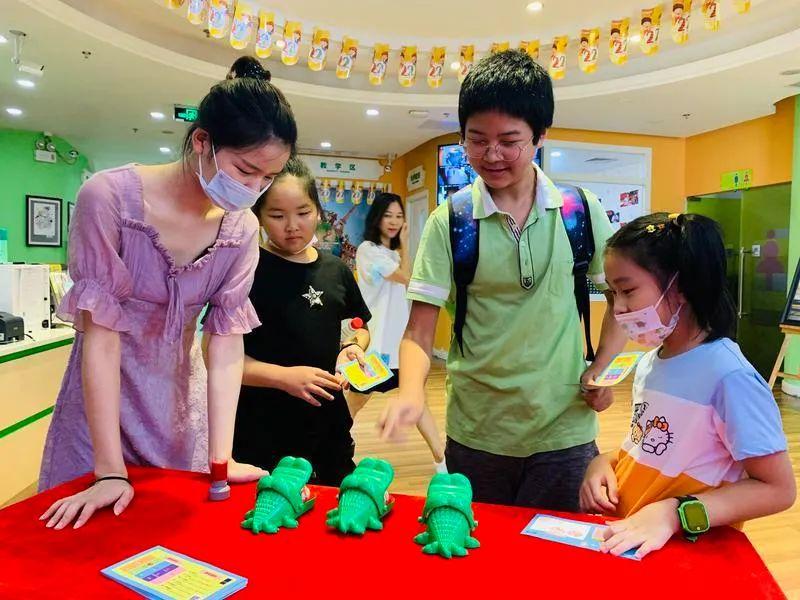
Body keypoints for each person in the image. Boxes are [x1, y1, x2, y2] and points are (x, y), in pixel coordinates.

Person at [38, 59, 296, 530]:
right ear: (202, 142)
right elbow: (100, 336)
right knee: (86, 542)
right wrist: (109, 471)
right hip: (101, 411)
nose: (253, 190)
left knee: (173, 544)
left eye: (267, 179)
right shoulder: (109, 197)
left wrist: (221, 460)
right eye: (245, 170)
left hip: (177, 409)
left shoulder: (241, 230)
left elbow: (225, 345)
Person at [378, 50, 627, 511]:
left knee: (553, 550)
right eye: (476, 141)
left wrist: (604, 369)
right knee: (476, 546)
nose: (491, 156)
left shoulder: (579, 211)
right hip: (478, 432)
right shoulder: (450, 221)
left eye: (509, 141)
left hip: (565, 431)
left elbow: (621, 301)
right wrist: (410, 392)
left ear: (540, 135)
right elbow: (418, 332)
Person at [579, 213, 795, 559]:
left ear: (679, 286)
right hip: (635, 544)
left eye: (627, 291)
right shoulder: (650, 363)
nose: (618, 309)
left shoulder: (730, 377)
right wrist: (602, 464)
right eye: (613, 294)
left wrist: (675, 513)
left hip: (687, 554)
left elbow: (778, 490)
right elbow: (652, 447)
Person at [232, 157, 371, 486]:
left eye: (303, 212)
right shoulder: (245, 270)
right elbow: (218, 358)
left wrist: (351, 348)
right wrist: (284, 378)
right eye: (277, 215)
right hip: (261, 427)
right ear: (258, 215)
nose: (292, 225)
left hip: (327, 425)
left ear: (318, 212)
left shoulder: (336, 270)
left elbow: (359, 326)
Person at [352, 193, 446, 472]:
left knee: (418, 401)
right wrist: (405, 243)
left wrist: (401, 249)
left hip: (400, 346)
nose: (394, 222)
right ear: (377, 218)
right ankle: (329, 448)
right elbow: (408, 279)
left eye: (399, 216)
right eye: (388, 215)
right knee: (352, 406)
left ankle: (441, 461)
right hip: (375, 346)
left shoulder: (392, 254)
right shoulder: (368, 250)